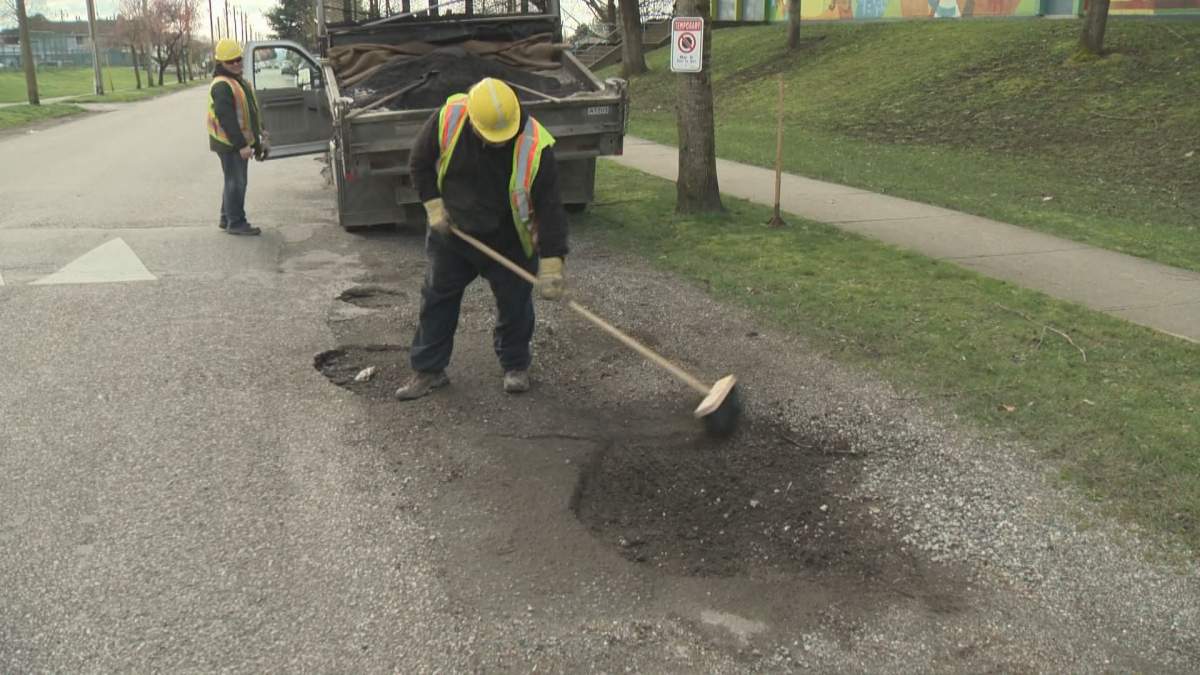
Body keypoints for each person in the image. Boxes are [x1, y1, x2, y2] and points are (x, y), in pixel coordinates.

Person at [395, 77, 569, 400]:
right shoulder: (450, 117)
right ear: (473, 121)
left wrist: (552, 262)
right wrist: (434, 207)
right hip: (454, 233)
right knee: (437, 299)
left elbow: (550, 208)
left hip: (508, 239)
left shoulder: (535, 145)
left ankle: (515, 365)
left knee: (515, 305)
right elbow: (419, 163)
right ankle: (429, 369)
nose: (498, 143)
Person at [207, 38, 268, 236]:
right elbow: (227, 119)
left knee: (232, 181)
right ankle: (236, 222)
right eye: (230, 61)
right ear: (220, 63)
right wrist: (242, 145)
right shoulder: (222, 86)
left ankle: (226, 218)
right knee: (236, 183)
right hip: (230, 143)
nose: (235, 63)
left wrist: (260, 132)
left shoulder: (237, 81)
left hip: (234, 142)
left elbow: (249, 110)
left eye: (238, 59)